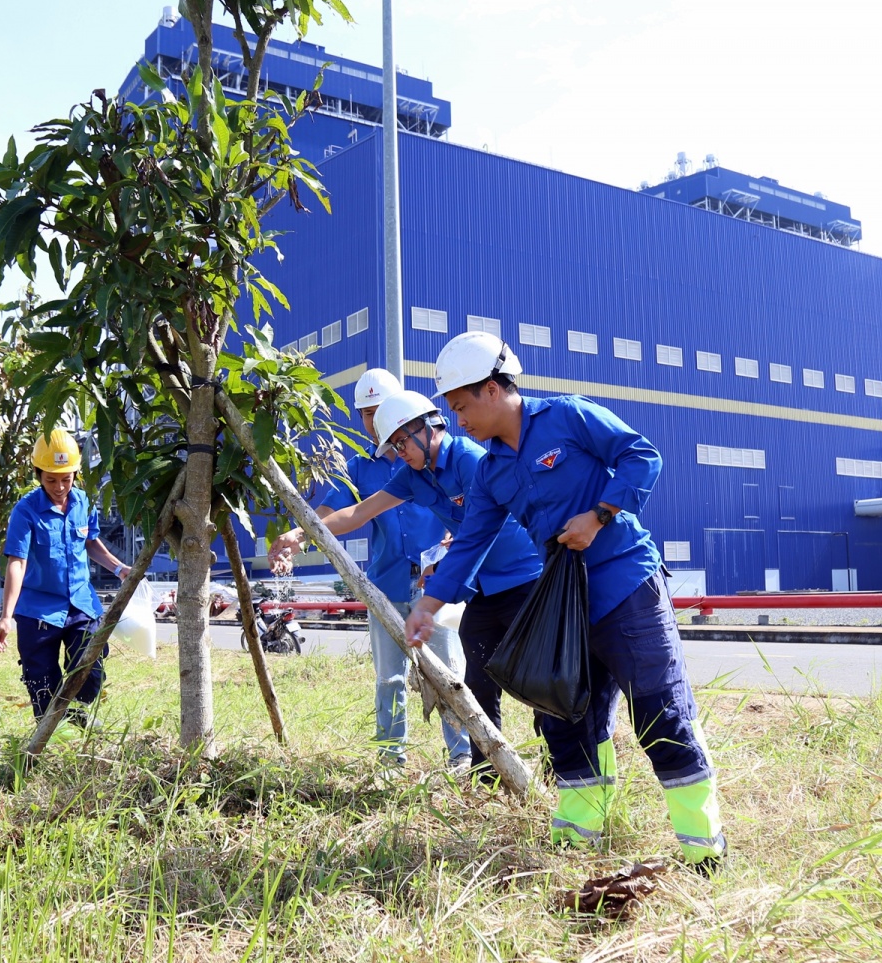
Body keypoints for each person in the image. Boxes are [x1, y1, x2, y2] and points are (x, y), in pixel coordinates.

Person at [405, 331, 727, 872]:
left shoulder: (568, 417)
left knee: (659, 709)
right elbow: (470, 545)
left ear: (491, 389)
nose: (458, 422)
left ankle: (702, 848)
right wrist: (428, 606)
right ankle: (580, 833)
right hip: (564, 604)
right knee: (568, 715)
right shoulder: (490, 472)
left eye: (461, 407)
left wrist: (601, 514)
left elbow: (641, 456)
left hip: (625, 585)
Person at [272, 387, 544, 781]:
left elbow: (488, 523)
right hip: (481, 587)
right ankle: (487, 773)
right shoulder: (414, 474)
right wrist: (301, 533)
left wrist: (448, 560)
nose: (401, 452)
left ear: (430, 426)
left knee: (538, 675)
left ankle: (560, 759)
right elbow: (358, 512)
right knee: (477, 681)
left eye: (403, 442)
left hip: (524, 577)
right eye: (394, 446)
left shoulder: (469, 460)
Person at [273, 369, 470, 769]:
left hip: (437, 582)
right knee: (389, 677)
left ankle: (461, 755)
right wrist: (300, 533)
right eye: (366, 412)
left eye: (381, 409)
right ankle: (390, 759)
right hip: (386, 583)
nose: (375, 419)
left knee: (449, 673)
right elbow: (341, 513)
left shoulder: (446, 458)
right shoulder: (361, 467)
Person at [0, 429, 130, 741]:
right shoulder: (25, 511)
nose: (59, 487)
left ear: (75, 474)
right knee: (41, 682)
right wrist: (5, 616)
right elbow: (17, 562)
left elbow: (91, 543)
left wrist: (120, 568)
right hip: (38, 610)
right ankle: (51, 737)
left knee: (90, 668)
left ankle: (77, 718)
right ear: (39, 474)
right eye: (51, 479)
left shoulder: (83, 502)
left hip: (81, 604)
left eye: (66, 478)